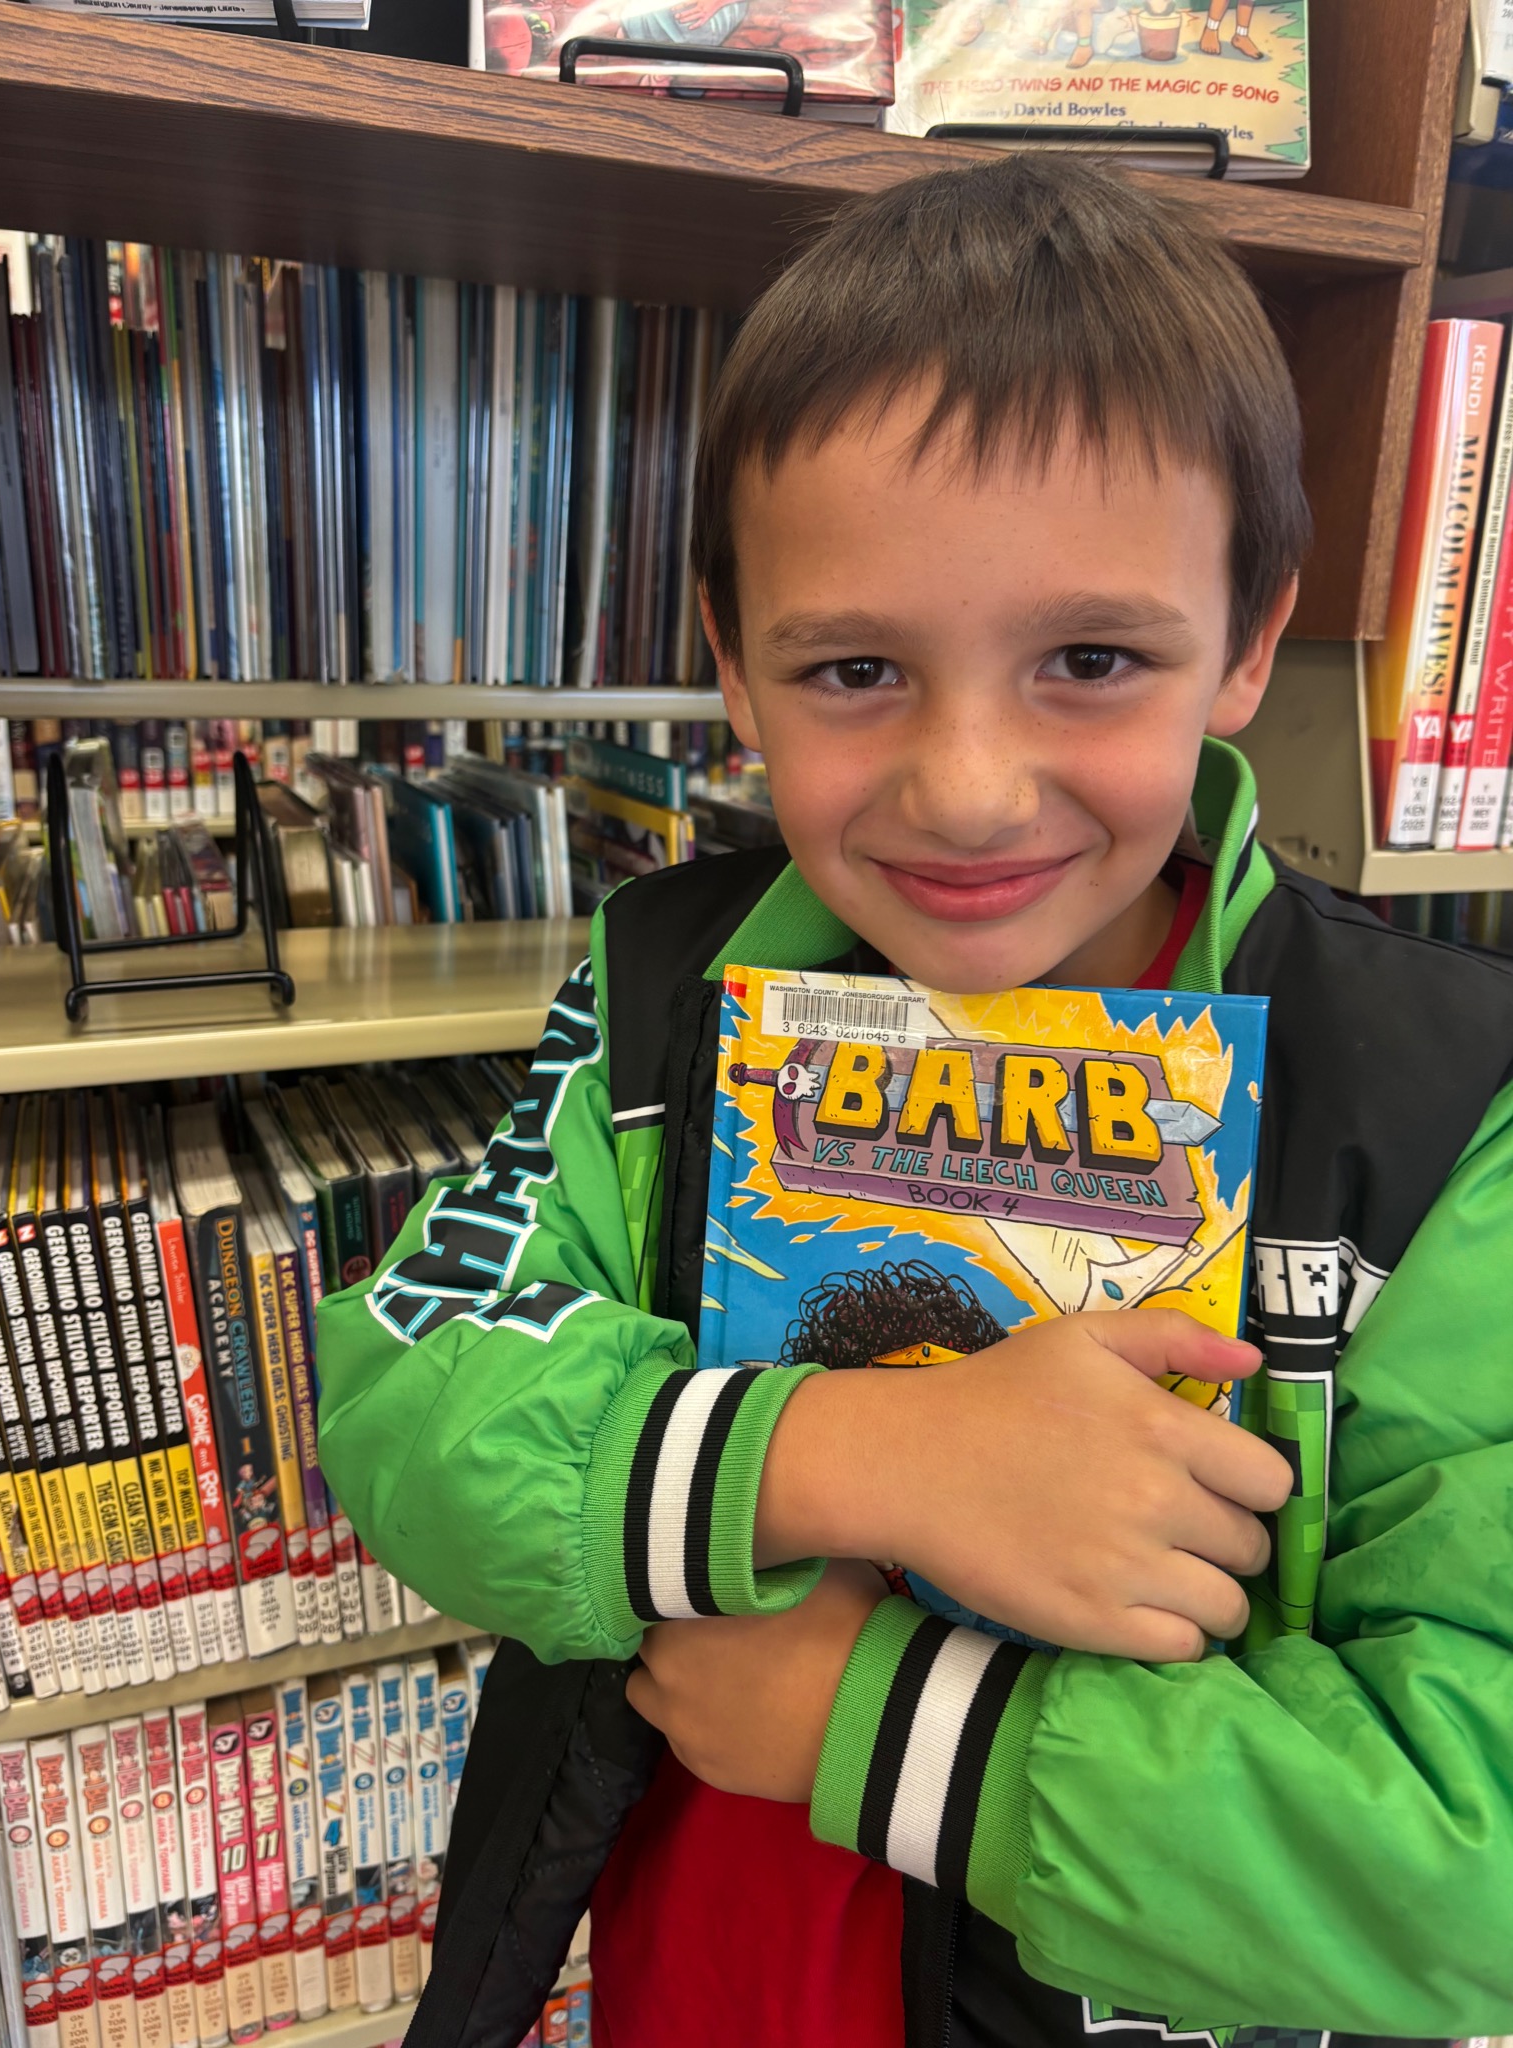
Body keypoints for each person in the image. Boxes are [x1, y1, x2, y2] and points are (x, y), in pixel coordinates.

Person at [315, 155, 1513, 2048]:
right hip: (706, 1981)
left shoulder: (1443, 1108)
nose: (966, 790)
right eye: (857, 669)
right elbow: (407, 1387)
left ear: (1249, 644)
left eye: (1091, 660)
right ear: (735, 666)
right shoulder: (659, 993)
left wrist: (879, 1726)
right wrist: (863, 1458)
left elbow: (1473, 1855)